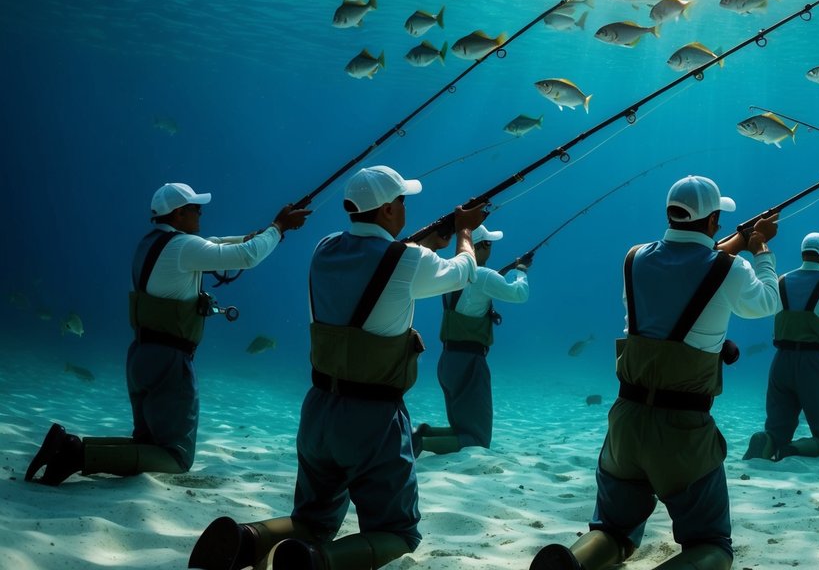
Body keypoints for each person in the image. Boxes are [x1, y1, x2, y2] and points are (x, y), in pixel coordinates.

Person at [188, 165, 486, 570]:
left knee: (312, 520)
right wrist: (465, 232)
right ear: (385, 211)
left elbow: (378, 263)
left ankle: (247, 538)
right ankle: (315, 563)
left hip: (319, 410)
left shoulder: (324, 248)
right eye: (401, 200)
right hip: (373, 419)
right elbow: (463, 271)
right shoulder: (409, 260)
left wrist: (428, 242)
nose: (405, 207)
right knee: (400, 532)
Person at [530, 175, 780, 570]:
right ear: (714, 220)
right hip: (682, 431)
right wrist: (761, 248)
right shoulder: (730, 269)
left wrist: (735, 243)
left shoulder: (635, 258)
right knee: (711, 544)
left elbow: (690, 265)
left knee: (613, 531)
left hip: (625, 423)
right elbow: (767, 301)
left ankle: (572, 565)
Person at [24, 182, 309, 487]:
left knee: (148, 443)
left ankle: (67, 446)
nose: (200, 212)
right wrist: (279, 227)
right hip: (169, 361)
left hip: (140, 356)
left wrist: (263, 232)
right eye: (193, 208)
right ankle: (77, 455)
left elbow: (218, 244)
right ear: (177, 214)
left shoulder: (152, 243)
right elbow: (247, 256)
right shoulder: (184, 248)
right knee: (176, 456)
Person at [743, 231, 819, 460]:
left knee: (777, 430)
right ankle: (792, 451)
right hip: (813, 364)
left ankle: (768, 440)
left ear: (802, 254)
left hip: (780, 363)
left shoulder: (780, 281)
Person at [415, 223, 531, 456]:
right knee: (476, 439)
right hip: (470, 362)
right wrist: (520, 270)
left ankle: (422, 433)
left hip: (448, 360)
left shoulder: (452, 270)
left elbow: (473, 291)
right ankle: (414, 447)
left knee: (462, 428)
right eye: (489, 244)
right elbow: (519, 294)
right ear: (482, 246)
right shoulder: (485, 276)